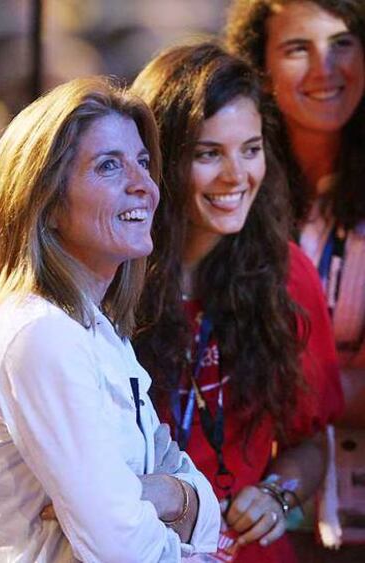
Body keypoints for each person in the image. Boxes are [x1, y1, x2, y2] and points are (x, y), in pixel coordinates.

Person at [0, 77, 220, 562]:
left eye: (142, 161)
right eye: (109, 165)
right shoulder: (40, 334)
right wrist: (179, 511)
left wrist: (173, 495)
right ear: (48, 204)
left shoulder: (98, 330)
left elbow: (198, 506)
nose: (144, 184)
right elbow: (122, 549)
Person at [131, 40, 343, 563]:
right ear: (156, 160)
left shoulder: (287, 276)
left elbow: (312, 442)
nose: (236, 176)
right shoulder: (110, 279)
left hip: (244, 551)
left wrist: (277, 494)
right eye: (208, 153)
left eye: (251, 149)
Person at [226, 0, 365, 554]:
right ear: (258, 67)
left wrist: (284, 388)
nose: (324, 67)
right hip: (258, 498)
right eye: (297, 48)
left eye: (343, 43)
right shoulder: (229, 179)